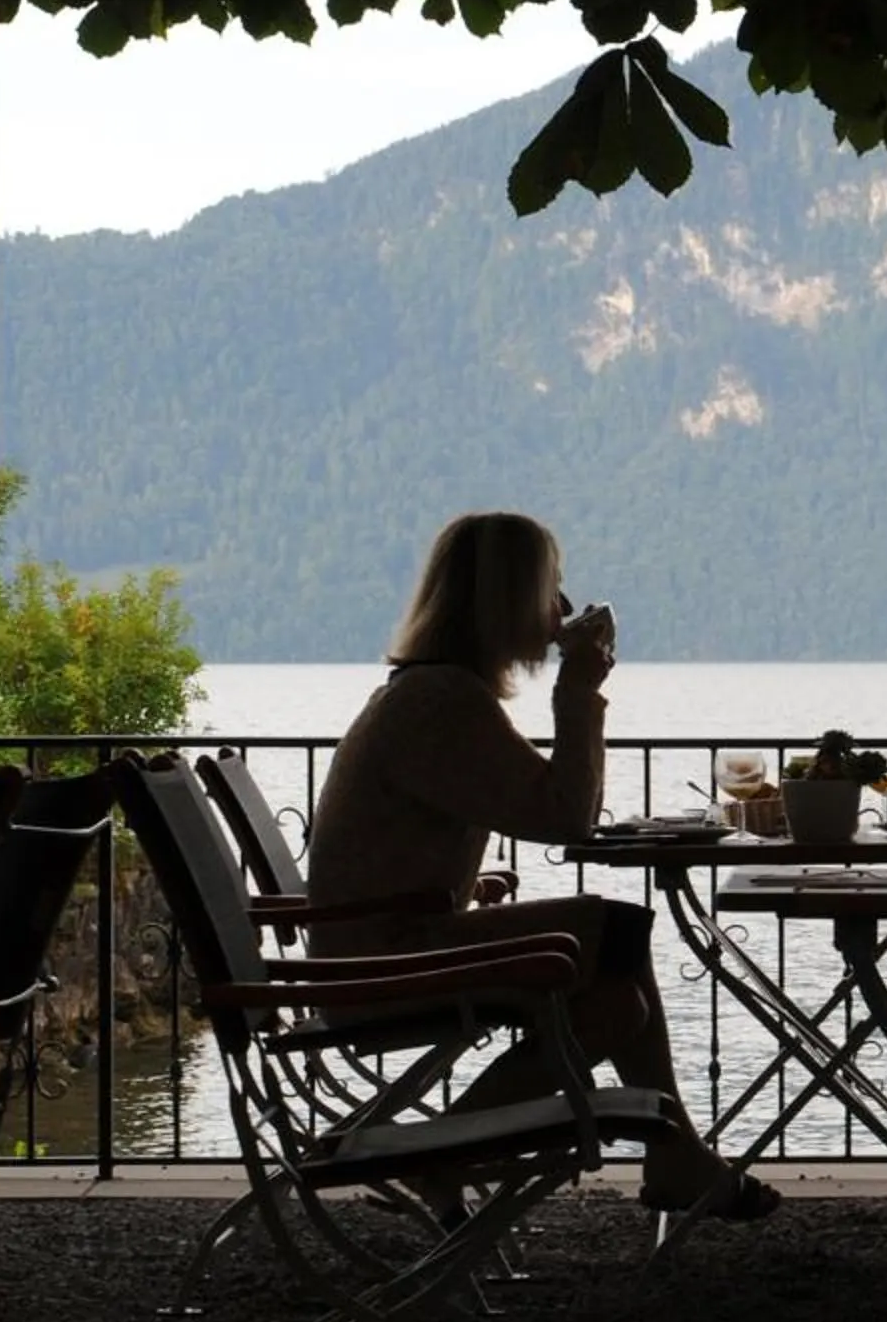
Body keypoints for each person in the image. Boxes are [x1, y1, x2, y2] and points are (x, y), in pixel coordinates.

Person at [303, 511, 780, 1221]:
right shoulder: (439, 702)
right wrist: (577, 692)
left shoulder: (428, 691)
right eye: (548, 587)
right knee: (610, 926)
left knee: (618, 999)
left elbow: (531, 807)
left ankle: (665, 1153)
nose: (559, 607)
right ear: (503, 599)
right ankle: (447, 1153)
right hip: (384, 966)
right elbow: (566, 817)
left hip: (379, 949)